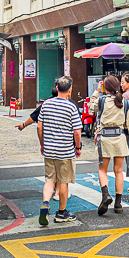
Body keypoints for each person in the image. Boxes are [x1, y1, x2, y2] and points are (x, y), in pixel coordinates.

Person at [37, 76, 82, 226]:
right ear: (70, 90)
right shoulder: (71, 107)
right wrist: (78, 147)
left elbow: (39, 126)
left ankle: (45, 203)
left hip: (49, 150)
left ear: (57, 89)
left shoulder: (46, 104)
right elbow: (77, 131)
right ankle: (61, 213)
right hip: (65, 151)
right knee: (63, 182)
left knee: (50, 180)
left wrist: (42, 144)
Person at [95, 75, 129, 216]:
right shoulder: (124, 102)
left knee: (102, 170)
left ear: (105, 87)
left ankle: (105, 194)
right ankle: (118, 203)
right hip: (120, 138)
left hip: (105, 139)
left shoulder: (101, 101)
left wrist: (96, 91)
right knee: (118, 171)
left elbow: (90, 107)